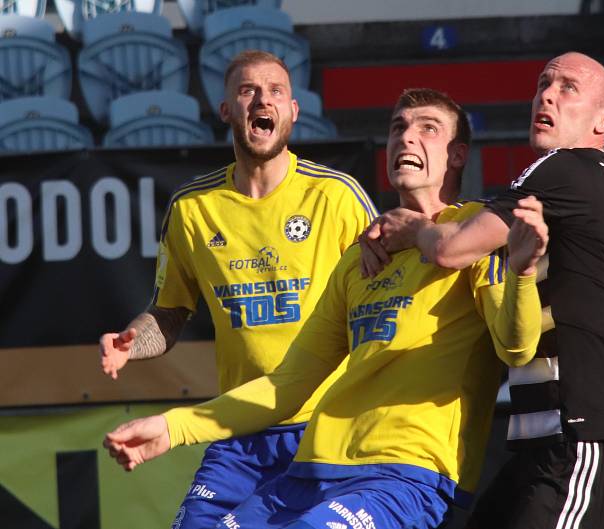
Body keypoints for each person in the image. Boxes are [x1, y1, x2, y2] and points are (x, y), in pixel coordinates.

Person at [102, 88, 549, 529]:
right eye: (398, 128)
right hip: (312, 470)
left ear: (457, 155)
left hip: (405, 475)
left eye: (427, 129)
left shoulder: (473, 234)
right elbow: (288, 384)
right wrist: (172, 427)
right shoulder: (361, 259)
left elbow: (515, 348)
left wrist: (523, 272)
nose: (406, 138)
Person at [360, 52, 604, 529]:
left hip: (582, 440)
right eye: (543, 83)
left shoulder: (564, 168)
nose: (547, 94)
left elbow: (453, 248)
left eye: (568, 87)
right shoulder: (587, 186)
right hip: (545, 448)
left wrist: (409, 227)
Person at [98, 50, 378, 529]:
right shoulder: (192, 209)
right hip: (240, 429)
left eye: (275, 91)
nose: (261, 100)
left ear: (293, 110)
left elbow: (389, 297)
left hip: (327, 429)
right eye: (247, 91)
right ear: (226, 109)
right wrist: (130, 341)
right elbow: (168, 314)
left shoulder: (338, 195)